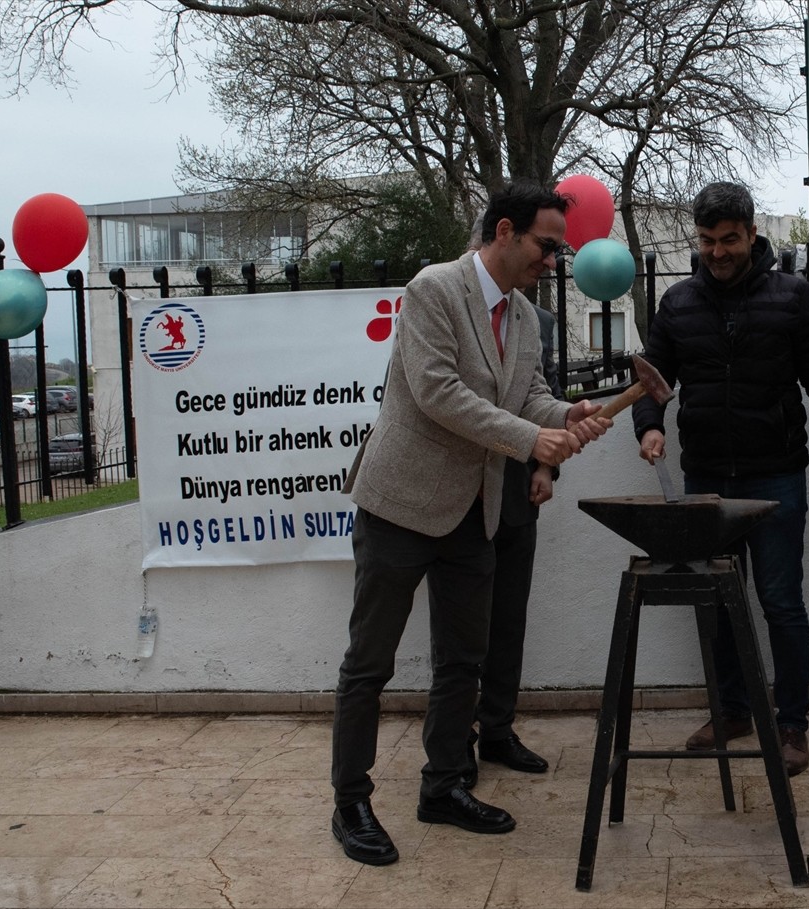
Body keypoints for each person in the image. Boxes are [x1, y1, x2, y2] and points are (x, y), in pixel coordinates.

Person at [331, 182, 611, 865]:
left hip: (472, 512)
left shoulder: (521, 314)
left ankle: (444, 785)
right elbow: (437, 392)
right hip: (399, 506)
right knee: (370, 662)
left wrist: (564, 416)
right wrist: (528, 439)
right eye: (548, 245)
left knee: (463, 659)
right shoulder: (435, 289)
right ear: (506, 231)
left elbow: (530, 392)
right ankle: (350, 800)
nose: (555, 259)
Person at [632, 181, 809, 777]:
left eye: (729, 239)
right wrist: (649, 428)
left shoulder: (792, 297)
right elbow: (652, 382)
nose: (718, 251)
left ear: (753, 234)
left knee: (780, 601)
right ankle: (731, 711)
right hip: (705, 477)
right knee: (718, 603)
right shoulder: (676, 304)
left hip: (777, 474)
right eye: (707, 241)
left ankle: (791, 726)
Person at [461, 303, 562, 787]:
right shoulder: (442, 308)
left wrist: (546, 467)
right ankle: (455, 740)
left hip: (517, 495)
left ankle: (497, 730)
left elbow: (549, 398)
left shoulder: (535, 322)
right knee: (460, 628)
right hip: (459, 497)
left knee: (508, 620)